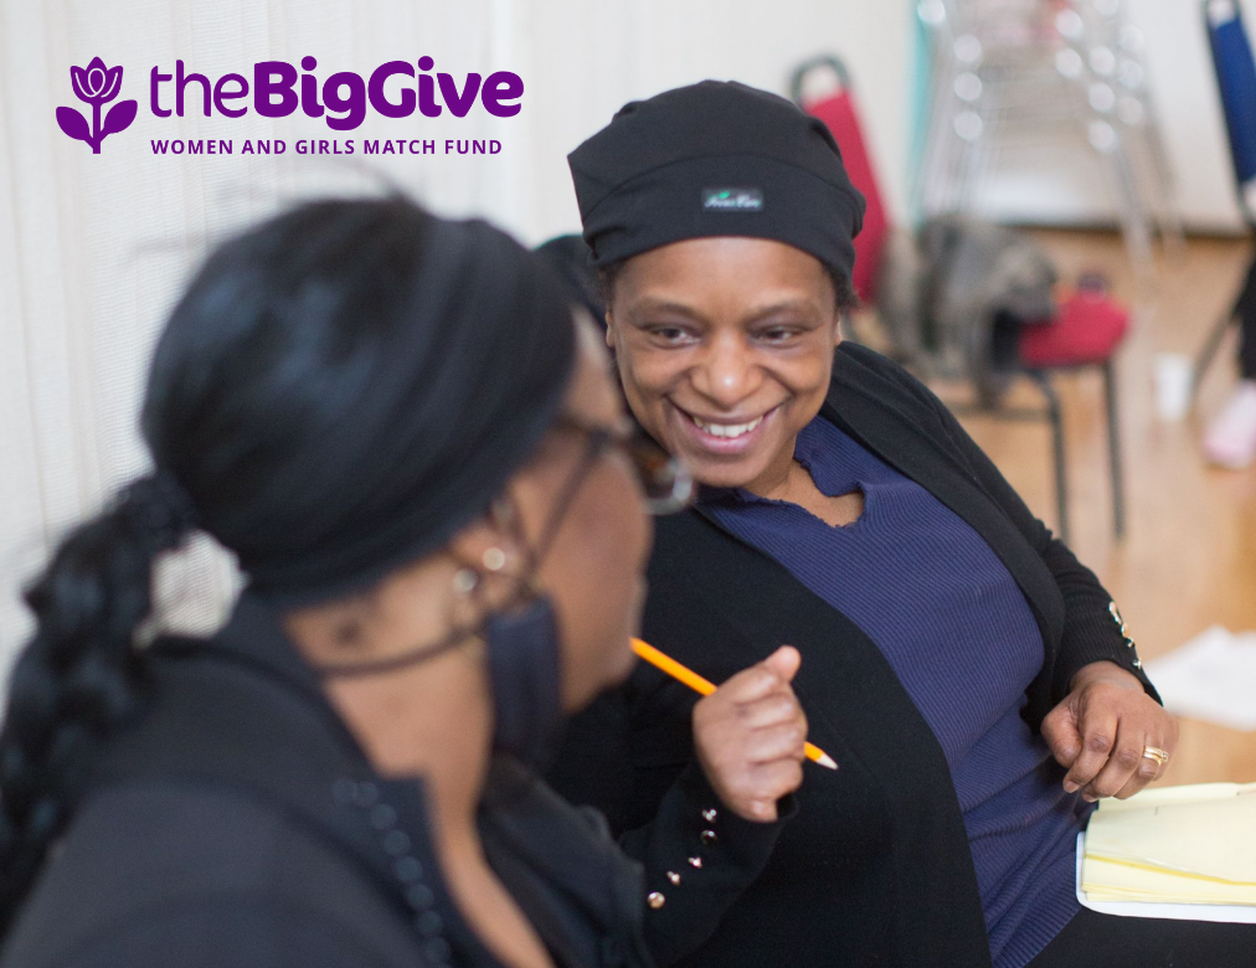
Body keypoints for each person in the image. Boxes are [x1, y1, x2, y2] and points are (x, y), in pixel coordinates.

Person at [546, 81, 1256, 968]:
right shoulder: (590, 568)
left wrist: (1102, 671)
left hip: (1113, 872)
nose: (725, 380)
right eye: (672, 333)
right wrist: (714, 805)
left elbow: (1040, 556)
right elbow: (580, 930)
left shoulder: (870, 401)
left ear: (839, 320)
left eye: (777, 331)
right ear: (609, 319)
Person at [0, 197, 690, 968]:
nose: (646, 504)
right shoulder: (222, 914)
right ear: (491, 521)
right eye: (624, 449)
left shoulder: (475, 804)